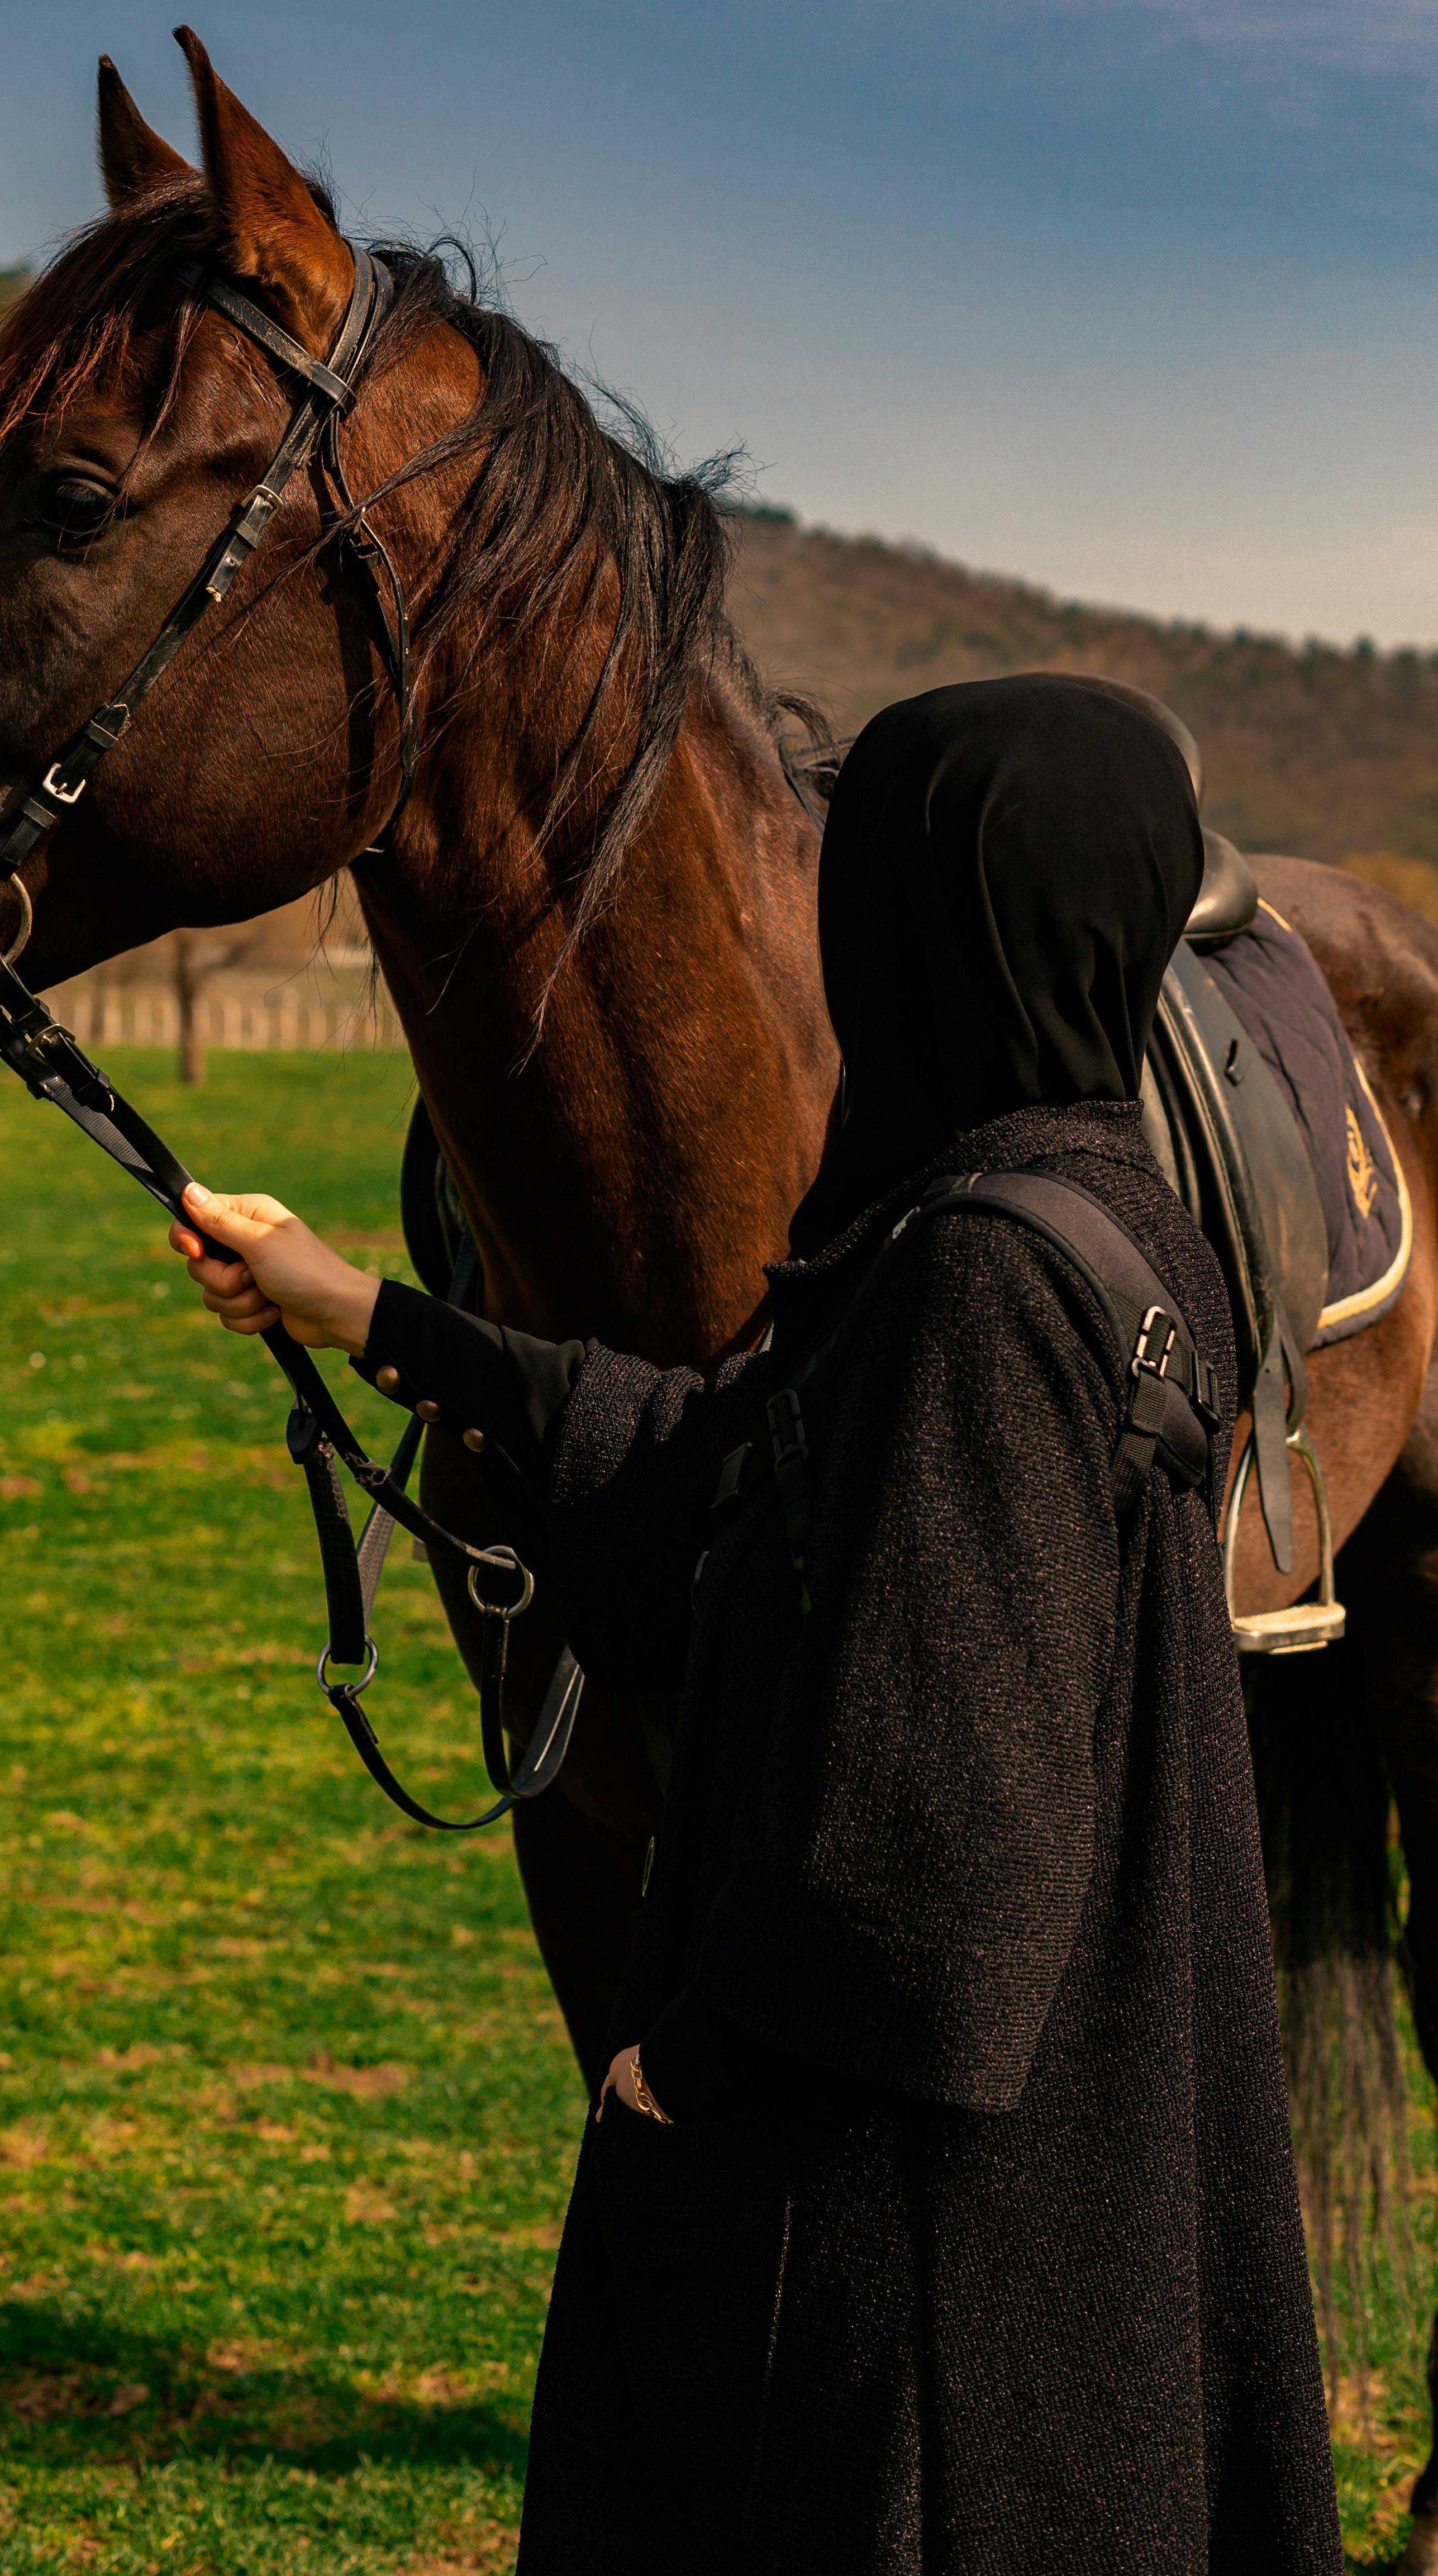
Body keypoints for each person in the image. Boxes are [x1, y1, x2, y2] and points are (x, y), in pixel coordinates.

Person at [171, 677, 1340, 2576]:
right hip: (1063, 2195)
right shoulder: (1092, 1215)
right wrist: (368, 1310)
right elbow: (737, 1461)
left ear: (927, 924)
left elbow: (937, 1861)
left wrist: (684, 2071)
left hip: (923, 2266)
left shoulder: (975, 1286)